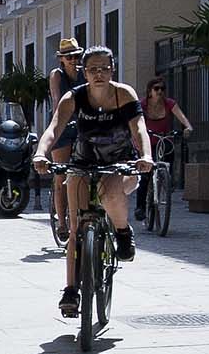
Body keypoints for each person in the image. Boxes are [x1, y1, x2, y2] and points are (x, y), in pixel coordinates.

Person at [34, 45, 152, 318]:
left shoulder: (124, 94)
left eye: (104, 68)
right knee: (76, 228)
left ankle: (122, 232)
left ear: (113, 69)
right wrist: (41, 153)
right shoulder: (73, 97)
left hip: (120, 163)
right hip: (83, 162)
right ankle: (71, 290)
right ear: (83, 72)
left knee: (111, 192)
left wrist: (145, 155)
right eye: (92, 69)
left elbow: (139, 128)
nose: (99, 74)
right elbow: (54, 129)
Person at [44, 38, 88, 239]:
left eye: (76, 56)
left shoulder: (84, 75)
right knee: (61, 175)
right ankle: (62, 223)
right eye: (69, 57)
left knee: (85, 171)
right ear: (62, 59)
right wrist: (59, 124)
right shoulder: (57, 75)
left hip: (81, 125)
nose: (73, 60)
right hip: (61, 125)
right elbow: (56, 100)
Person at [135, 77, 195, 218]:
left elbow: (182, 118)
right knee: (145, 175)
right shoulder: (142, 105)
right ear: (150, 91)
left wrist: (188, 127)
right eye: (156, 89)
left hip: (163, 139)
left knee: (169, 156)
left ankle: (167, 180)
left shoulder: (169, 104)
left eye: (162, 89)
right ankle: (140, 207)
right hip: (148, 141)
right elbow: (135, 121)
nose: (160, 91)